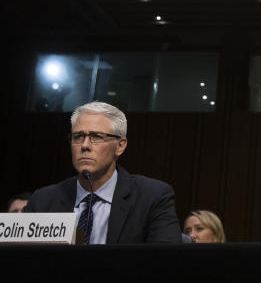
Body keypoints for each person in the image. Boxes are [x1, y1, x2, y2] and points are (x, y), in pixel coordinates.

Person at [24, 101, 182, 244]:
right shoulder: (43, 201)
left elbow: (164, 263)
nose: (85, 145)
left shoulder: (152, 197)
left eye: (96, 137)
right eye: (78, 136)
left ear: (120, 146)